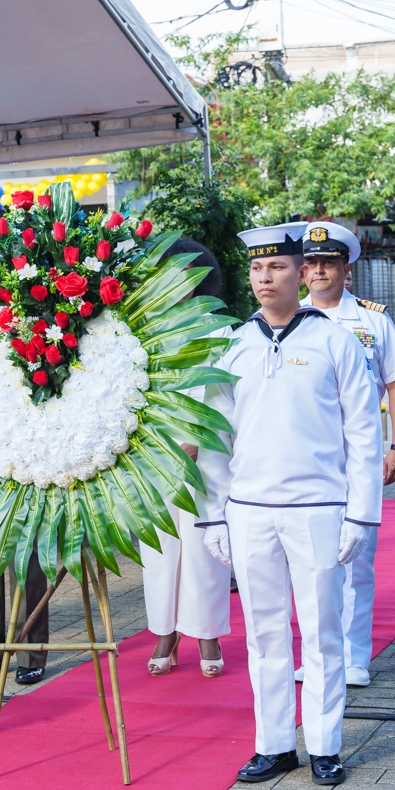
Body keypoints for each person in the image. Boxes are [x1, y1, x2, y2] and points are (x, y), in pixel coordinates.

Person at [196, 223, 382, 787]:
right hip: (250, 509)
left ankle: (325, 744)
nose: (263, 278)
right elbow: (213, 439)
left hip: (318, 507)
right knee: (264, 633)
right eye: (255, 268)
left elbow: (365, 434)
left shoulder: (333, 340)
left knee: (323, 631)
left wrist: (360, 514)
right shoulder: (233, 346)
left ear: (301, 274)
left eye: (275, 268)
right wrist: (213, 513)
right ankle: (274, 743)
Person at [300, 222, 395, 688]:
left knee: (355, 560)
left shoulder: (372, 320)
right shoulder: (284, 317)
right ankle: (316, 655)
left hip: (359, 455)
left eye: (328, 262)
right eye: (311, 263)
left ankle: (352, 657)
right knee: (309, 563)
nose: (319, 271)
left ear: (346, 268)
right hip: (305, 456)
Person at [138, 239, 232, 679]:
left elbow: (228, 398)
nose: (176, 284)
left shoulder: (220, 331)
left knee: (202, 547)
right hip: (154, 453)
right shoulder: (142, 332)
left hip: (205, 456)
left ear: (200, 279)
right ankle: (164, 632)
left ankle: (207, 634)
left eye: (184, 274)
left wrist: (197, 438)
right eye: (167, 275)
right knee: (158, 547)